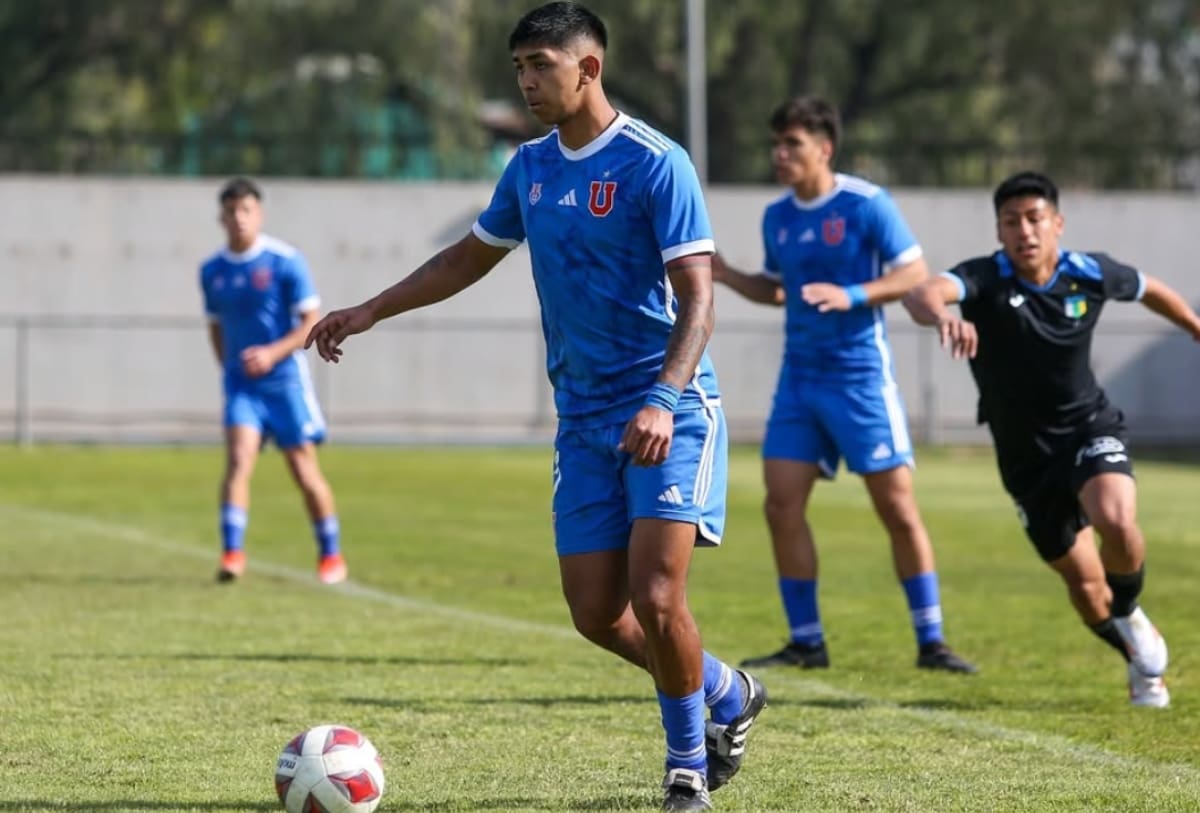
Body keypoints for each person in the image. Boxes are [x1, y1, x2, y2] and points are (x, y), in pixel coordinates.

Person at [305, 4, 763, 809]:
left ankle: (688, 767)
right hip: (584, 419)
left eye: (540, 64)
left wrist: (663, 397)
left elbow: (699, 299)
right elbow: (465, 258)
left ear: (589, 67)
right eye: (518, 66)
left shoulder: (658, 164)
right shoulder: (531, 167)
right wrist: (370, 309)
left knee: (658, 597)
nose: (525, 80)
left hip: (669, 409)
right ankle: (726, 688)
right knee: (595, 611)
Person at [904, 170, 1199, 707]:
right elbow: (923, 293)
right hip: (1023, 457)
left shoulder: (1088, 273)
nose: (1025, 231)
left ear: (1057, 224)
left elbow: (1151, 289)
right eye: (1011, 221)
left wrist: (1196, 327)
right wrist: (945, 314)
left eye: (1035, 218)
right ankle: (1138, 658)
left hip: (1089, 427)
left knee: (1117, 520)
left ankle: (1130, 611)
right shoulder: (984, 278)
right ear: (999, 231)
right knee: (1086, 586)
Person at [710, 95, 975, 674]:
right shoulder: (778, 216)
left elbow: (912, 273)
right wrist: (729, 277)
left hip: (859, 378)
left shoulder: (866, 204)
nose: (781, 155)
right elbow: (778, 288)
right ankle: (807, 642)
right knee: (780, 506)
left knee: (898, 508)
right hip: (799, 382)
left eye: (793, 145)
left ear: (824, 149)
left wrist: (851, 294)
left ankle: (932, 642)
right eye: (776, 145)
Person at [199, 177, 347, 585]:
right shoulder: (212, 271)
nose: (238, 219)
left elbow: (310, 323)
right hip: (242, 387)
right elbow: (216, 327)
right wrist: (229, 367)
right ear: (221, 217)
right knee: (238, 461)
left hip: (284, 384)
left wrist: (271, 354)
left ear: (259, 214)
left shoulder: (285, 262)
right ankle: (232, 553)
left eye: (245, 210)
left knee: (303, 469)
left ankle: (331, 554)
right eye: (230, 212)